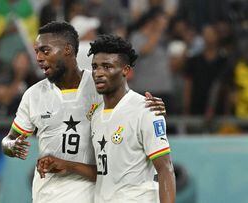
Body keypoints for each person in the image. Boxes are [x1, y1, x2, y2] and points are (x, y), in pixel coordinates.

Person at [1, 22, 166, 203]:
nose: (39, 58)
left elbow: (131, 105)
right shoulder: (33, 95)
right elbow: (9, 139)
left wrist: (150, 107)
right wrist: (10, 146)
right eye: (37, 52)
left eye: (45, 51)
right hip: (46, 195)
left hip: (91, 194)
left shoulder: (99, 86)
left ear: (67, 50)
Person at [37, 35, 176, 203]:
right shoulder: (96, 115)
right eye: (95, 67)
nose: (98, 73)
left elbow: (165, 169)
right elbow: (105, 173)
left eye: (107, 67)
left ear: (125, 70)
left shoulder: (145, 109)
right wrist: (67, 165)